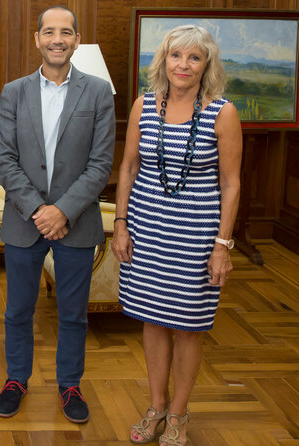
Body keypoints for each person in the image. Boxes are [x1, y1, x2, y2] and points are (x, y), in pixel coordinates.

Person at [113, 25, 241, 445]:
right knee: (152, 321)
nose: (183, 65)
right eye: (175, 56)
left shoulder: (223, 112)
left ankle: (180, 414)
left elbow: (231, 184)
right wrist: (120, 223)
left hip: (197, 238)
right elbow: (129, 168)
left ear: (207, 65)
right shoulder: (143, 105)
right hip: (147, 232)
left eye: (194, 58)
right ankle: (156, 406)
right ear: (163, 61)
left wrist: (222, 246)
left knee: (189, 325)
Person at [0, 5, 115, 422]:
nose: (57, 39)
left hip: (77, 222)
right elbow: (3, 160)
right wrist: (38, 210)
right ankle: (16, 380)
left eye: (66, 32)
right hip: (23, 220)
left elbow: (101, 165)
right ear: (37, 39)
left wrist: (61, 211)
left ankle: (69, 386)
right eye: (49, 32)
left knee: (73, 312)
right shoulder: (13, 91)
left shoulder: (98, 92)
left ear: (77, 40)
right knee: (18, 310)